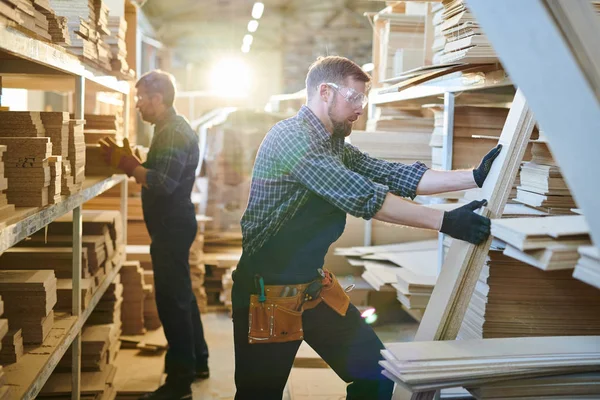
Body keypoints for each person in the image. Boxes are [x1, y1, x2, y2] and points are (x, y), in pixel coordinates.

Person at [231, 56, 502, 400]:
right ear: (325, 92)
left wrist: (474, 177)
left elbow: (391, 174)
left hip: (312, 287)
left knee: (377, 376)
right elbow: (361, 196)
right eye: (354, 98)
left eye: (364, 99)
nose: (360, 108)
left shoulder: (335, 146)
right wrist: (447, 222)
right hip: (268, 293)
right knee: (259, 395)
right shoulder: (291, 139)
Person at [102, 70, 209, 400]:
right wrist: (133, 161)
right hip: (171, 225)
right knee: (183, 297)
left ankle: (179, 385)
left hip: (172, 227)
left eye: (141, 99)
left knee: (172, 302)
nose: (137, 105)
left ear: (158, 100)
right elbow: (162, 173)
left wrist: (130, 166)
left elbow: (164, 182)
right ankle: (198, 362)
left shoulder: (175, 132)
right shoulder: (166, 128)